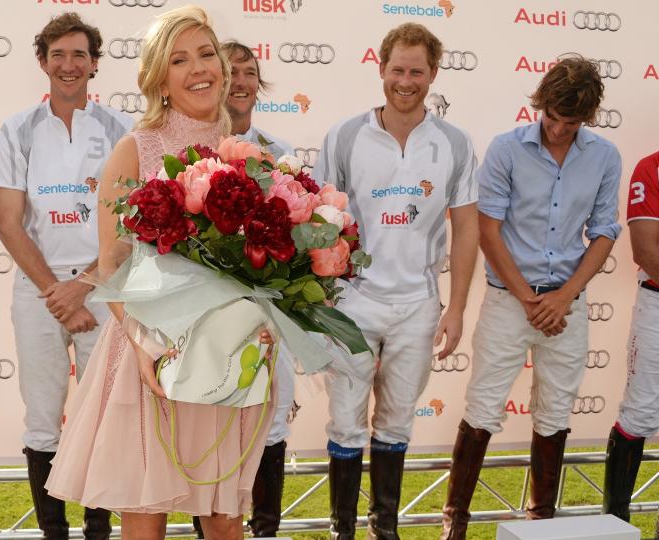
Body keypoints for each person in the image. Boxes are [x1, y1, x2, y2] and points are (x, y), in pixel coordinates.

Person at [43, 6, 275, 540]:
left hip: (228, 354)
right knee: (146, 511)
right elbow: (112, 263)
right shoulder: (135, 149)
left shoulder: (251, 157)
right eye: (179, 59)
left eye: (206, 54)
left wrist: (267, 321)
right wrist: (146, 342)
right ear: (158, 79)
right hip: (150, 356)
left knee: (223, 514)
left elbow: (267, 265)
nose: (199, 68)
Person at [439, 57, 621, 539]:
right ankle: (454, 521)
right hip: (507, 302)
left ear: (590, 116)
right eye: (553, 118)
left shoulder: (605, 156)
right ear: (540, 104)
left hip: (568, 306)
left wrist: (564, 298)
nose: (559, 131)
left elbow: (604, 232)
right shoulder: (505, 150)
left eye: (572, 122)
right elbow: (488, 229)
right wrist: (530, 299)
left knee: (557, 411)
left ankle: (541, 521)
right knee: (482, 408)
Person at [312, 23, 479, 540]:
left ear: (433, 75)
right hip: (352, 301)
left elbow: (468, 226)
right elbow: (319, 221)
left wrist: (455, 309)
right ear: (380, 68)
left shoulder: (453, 142)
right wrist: (319, 299)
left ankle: (384, 528)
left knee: (396, 422)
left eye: (417, 71)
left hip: (417, 304)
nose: (405, 81)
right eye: (397, 70)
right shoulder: (344, 135)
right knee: (344, 422)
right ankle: (343, 530)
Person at [0, 12, 132, 540]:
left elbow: (131, 226)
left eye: (79, 55)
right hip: (39, 294)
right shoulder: (16, 129)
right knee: (42, 418)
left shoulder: (122, 130)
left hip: (105, 289)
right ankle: (54, 530)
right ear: (42, 62)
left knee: (102, 415)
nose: (68, 65)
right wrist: (59, 294)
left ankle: (98, 528)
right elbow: (9, 224)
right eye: (58, 55)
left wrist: (84, 287)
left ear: (95, 64)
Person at [190, 39, 296, 539]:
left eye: (251, 72)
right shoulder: (191, 155)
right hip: (207, 321)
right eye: (232, 71)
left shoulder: (281, 156)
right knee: (206, 429)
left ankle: (265, 532)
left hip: (267, 318)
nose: (243, 81)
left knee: (271, 424)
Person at [601, 150, 659, 531]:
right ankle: (615, 525)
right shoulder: (650, 167)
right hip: (657, 302)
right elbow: (645, 250)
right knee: (639, 412)